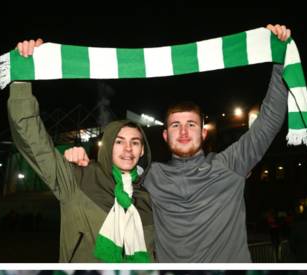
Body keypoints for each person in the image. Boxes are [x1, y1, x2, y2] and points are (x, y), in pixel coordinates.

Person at [62, 24, 293, 262]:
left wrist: (280, 61)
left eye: (191, 125)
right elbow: (113, 175)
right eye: (175, 125)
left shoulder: (231, 164)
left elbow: (270, 119)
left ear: (203, 133)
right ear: (165, 135)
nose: (183, 132)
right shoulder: (151, 176)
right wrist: (81, 160)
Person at [11, 39, 155, 262]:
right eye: (119, 141)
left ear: (142, 150)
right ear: (106, 147)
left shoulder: (150, 197)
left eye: (135, 142)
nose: (128, 148)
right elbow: (34, 144)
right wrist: (21, 79)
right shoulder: (78, 177)